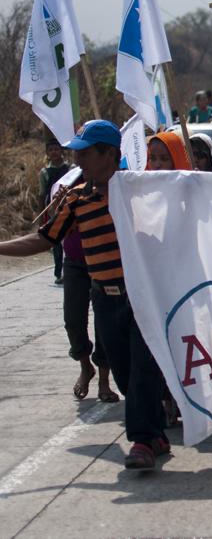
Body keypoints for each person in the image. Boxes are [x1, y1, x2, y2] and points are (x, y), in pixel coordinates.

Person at [0, 121, 170, 470]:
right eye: (76, 151)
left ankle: (141, 442)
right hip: (104, 300)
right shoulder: (76, 201)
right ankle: (155, 434)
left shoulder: (142, 194)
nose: (78, 159)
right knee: (123, 373)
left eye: (86, 152)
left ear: (111, 154)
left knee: (142, 372)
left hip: (142, 298)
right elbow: (44, 239)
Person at [51, 166, 119, 404]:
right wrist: (60, 204)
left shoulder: (115, 184)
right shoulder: (67, 184)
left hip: (102, 262)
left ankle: (103, 380)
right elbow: (51, 228)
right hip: (75, 262)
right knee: (73, 320)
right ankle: (84, 365)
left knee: (104, 322)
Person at [38, 139, 73, 285]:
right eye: (51, 150)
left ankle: (68, 271)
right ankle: (59, 272)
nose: (54, 152)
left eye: (56, 149)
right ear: (47, 153)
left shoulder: (70, 169)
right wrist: (41, 217)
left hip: (68, 207)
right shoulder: (45, 172)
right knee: (56, 242)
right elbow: (41, 194)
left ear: (61, 151)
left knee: (68, 238)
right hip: (51, 209)